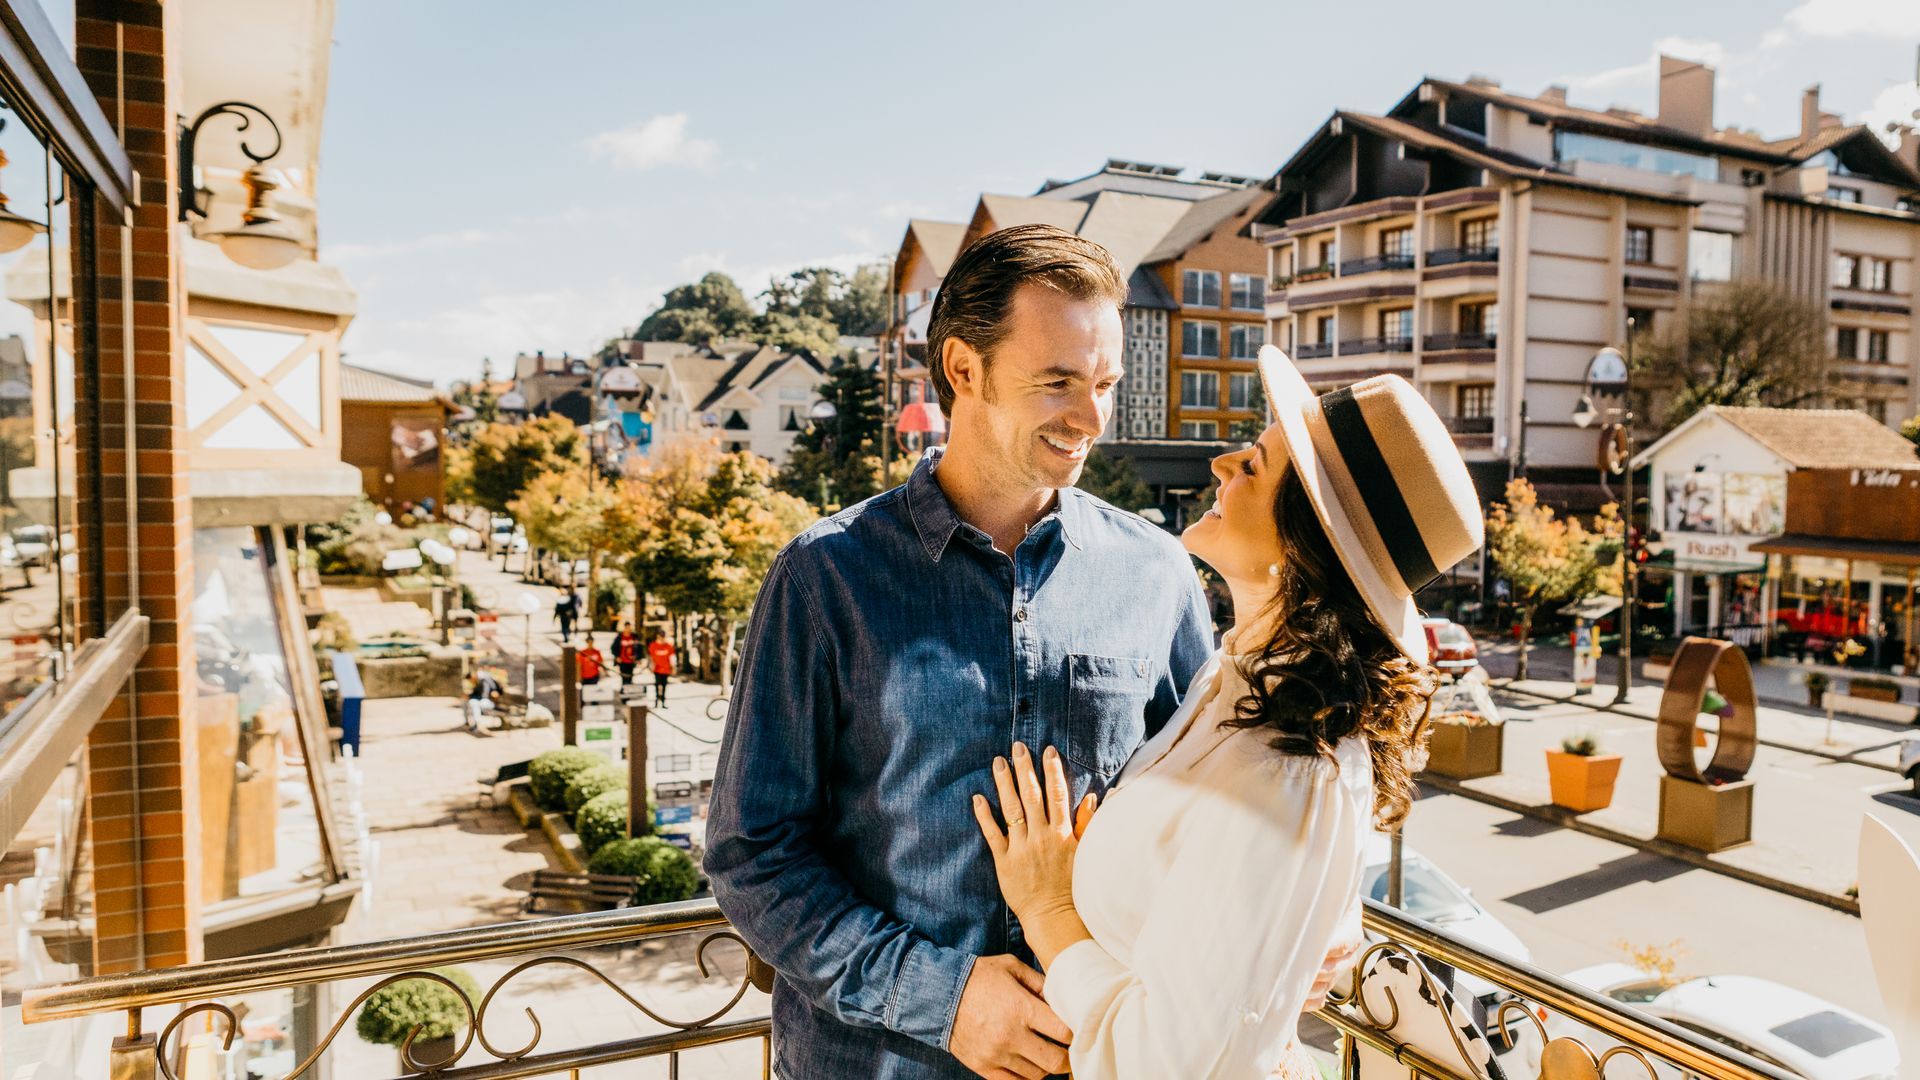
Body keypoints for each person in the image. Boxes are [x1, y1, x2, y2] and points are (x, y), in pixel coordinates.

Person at [706, 226, 1350, 1080]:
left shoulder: (1157, 572)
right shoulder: (825, 578)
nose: (1091, 419)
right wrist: (944, 1000)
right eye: (1058, 382)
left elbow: (1211, 800)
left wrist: (1299, 916)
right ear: (964, 370)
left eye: (1106, 384)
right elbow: (753, 853)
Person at [971, 347, 1483, 1077]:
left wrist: (1049, 909)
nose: (1222, 463)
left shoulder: (1286, 769)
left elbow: (1159, 1066)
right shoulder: (1232, 683)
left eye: (1256, 466)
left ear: (1307, 543)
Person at [465, 668, 502, 733]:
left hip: (490, 702)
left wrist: (470, 696)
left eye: (471, 680)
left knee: (474, 703)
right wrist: (469, 696)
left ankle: (476, 725)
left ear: (473, 676)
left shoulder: (484, 680)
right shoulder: (479, 681)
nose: (471, 681)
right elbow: (477, 694)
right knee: (467, 703)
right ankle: (471, 723)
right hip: (484, 701)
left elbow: (484, 695)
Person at [647, 630, 675, 708]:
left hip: (666, 669)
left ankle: (663, 702)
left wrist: (673, 667)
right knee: (657, 685)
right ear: (657, 636)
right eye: (660, 636)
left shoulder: (668, 646)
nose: (661, 638)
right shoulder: (653, 645)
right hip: (657, 669)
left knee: (664, 685)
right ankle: (656, 702)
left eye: (663, 636)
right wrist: (651, 666)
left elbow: (672, 657)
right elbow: (651, 657)